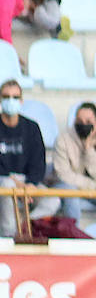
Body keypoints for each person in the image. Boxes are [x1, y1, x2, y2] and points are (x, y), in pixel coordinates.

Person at [54, 102, 96, 226]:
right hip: (71, 186)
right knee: (71, 194)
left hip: (95, 188)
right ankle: (74, 237)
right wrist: (92, 184)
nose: (84, 124)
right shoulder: (63, 139)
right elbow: (64, 175)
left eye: (88, 121)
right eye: (80, 121)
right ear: (74, 121)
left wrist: (88, 149)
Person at [0, 79, 45, 237]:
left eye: (14, 97)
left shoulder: (32, 127)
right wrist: (17, 185)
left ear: (21, 101)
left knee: (53, 200)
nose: (10, 101)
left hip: (26, 181)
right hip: (5, 180)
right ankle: (9, 234)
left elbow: (39, 162)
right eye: (6, 97)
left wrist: (31, 184)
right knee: (6, 185)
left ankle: (25, 224)